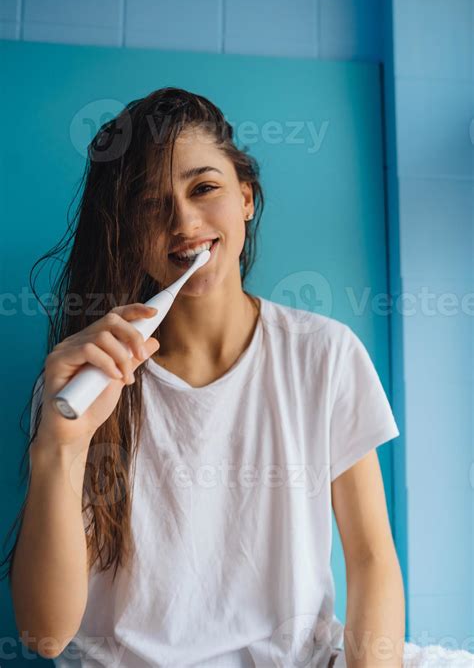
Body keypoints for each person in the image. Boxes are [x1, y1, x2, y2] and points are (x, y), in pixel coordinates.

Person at [4, 87, 411, 667]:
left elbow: (372, 560)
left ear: (245, 197)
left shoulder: (325, 354)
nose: (183, 222)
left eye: (204, 188)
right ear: (125, 228)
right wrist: (59, 449)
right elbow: (44, 637)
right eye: (149, 204)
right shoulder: (85, 383)